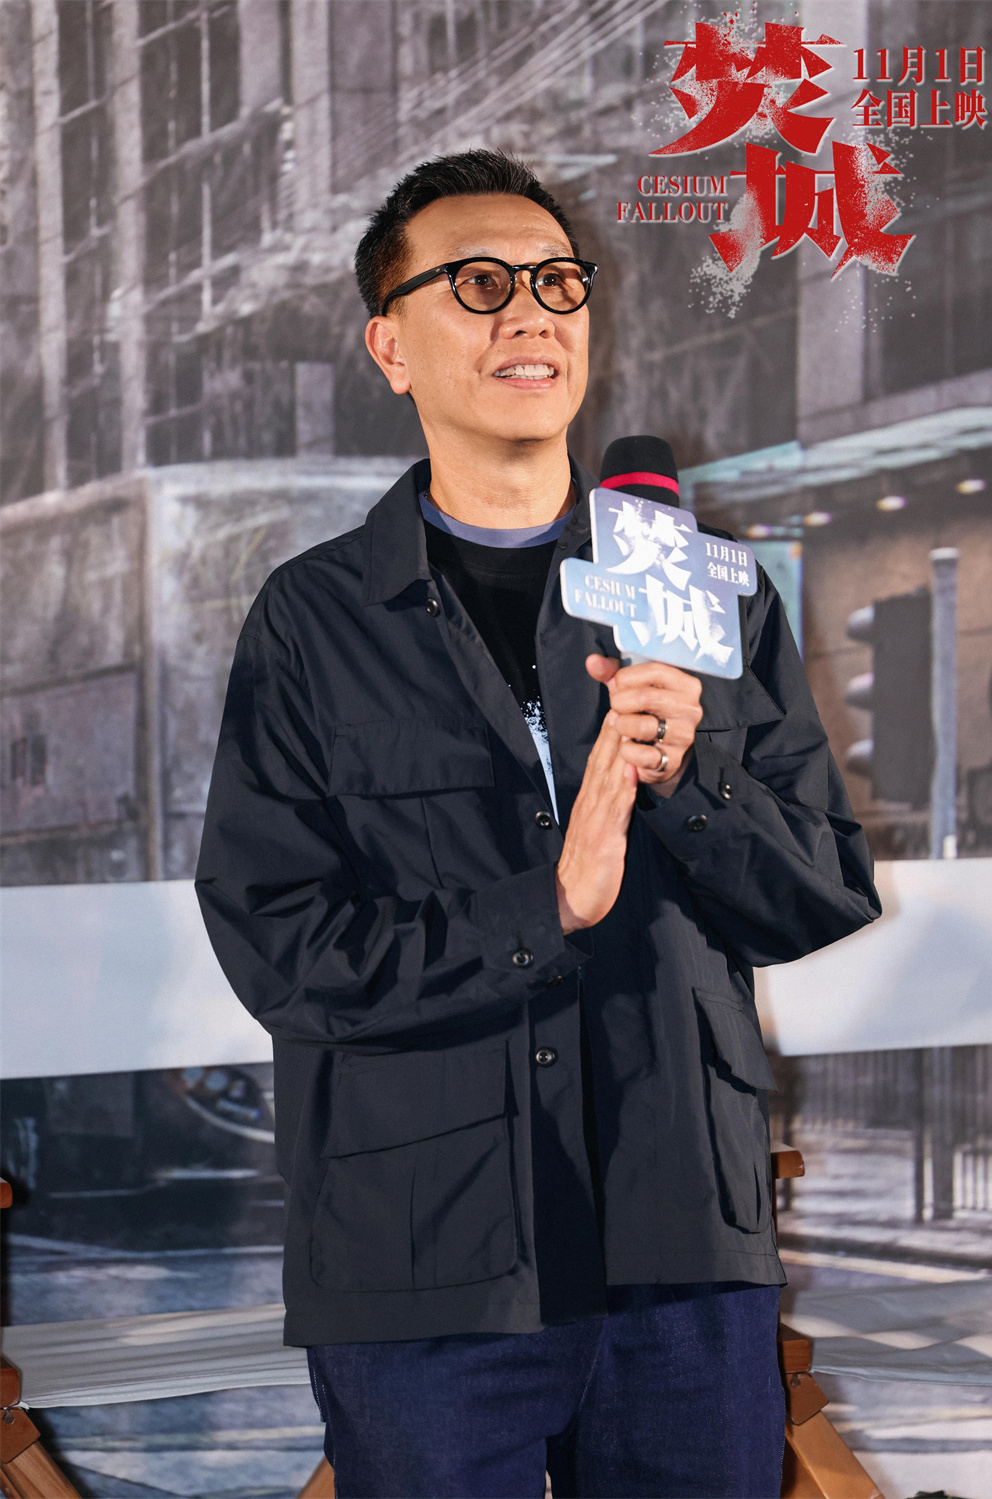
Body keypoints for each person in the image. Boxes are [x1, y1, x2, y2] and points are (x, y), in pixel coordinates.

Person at [196, 150, 880, 1499]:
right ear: (391, 345)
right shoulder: (313, 621)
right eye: (478, 284)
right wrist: (544, 910)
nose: (531, 313)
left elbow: (821, 890)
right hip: (423, 1269)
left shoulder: (709, 594)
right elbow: (282, 948)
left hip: (682, 1253)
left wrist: (694, 781)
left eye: (559, 283)